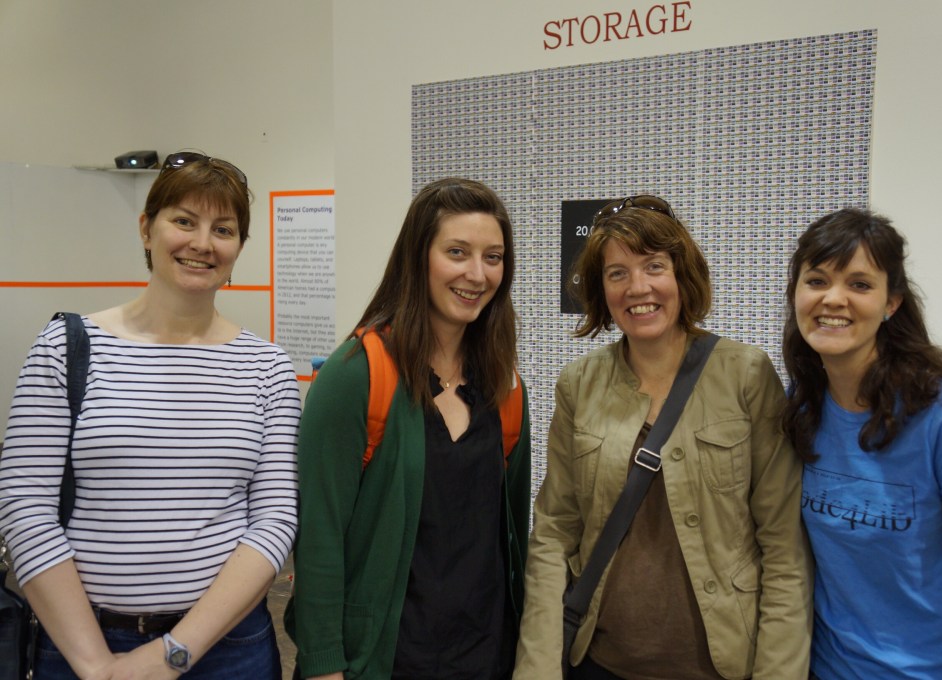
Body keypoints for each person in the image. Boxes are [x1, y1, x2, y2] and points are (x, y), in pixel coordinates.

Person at [0, 151, 301, 679]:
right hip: (80, 644)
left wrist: (172, 654)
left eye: (223, 229)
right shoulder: (65, 347)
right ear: (146, 229)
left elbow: (274, 520)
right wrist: (96, 666)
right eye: (183, 221)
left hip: (228, 648)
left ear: (238, 249)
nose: (202, 243)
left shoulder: (267, 367)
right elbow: (25, 507)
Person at [514, 195, 812, 680]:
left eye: (654, 266)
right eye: (617, 273)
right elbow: (552, 534)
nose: (638, 287)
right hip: (599, 664)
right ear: (600, 289)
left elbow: (783, 548)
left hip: (721, 666)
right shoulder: (579, 383)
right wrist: (536, 669)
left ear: (681, 275)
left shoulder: (745, 375)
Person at [284, 177, 531, 680]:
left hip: (488, 655)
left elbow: (513, 541)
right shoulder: (356, 374)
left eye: (493, 257)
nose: (477, 274)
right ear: (418, 256)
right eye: (457, 252)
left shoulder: (505, 386)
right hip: (387, 658)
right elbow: (320, 538)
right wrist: (324, 666)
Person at [782, 207, 942, 679]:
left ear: (892, 303)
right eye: (817, 280)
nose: (834, 299)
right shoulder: (800, 404)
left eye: (860, 284)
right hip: (825, 669)